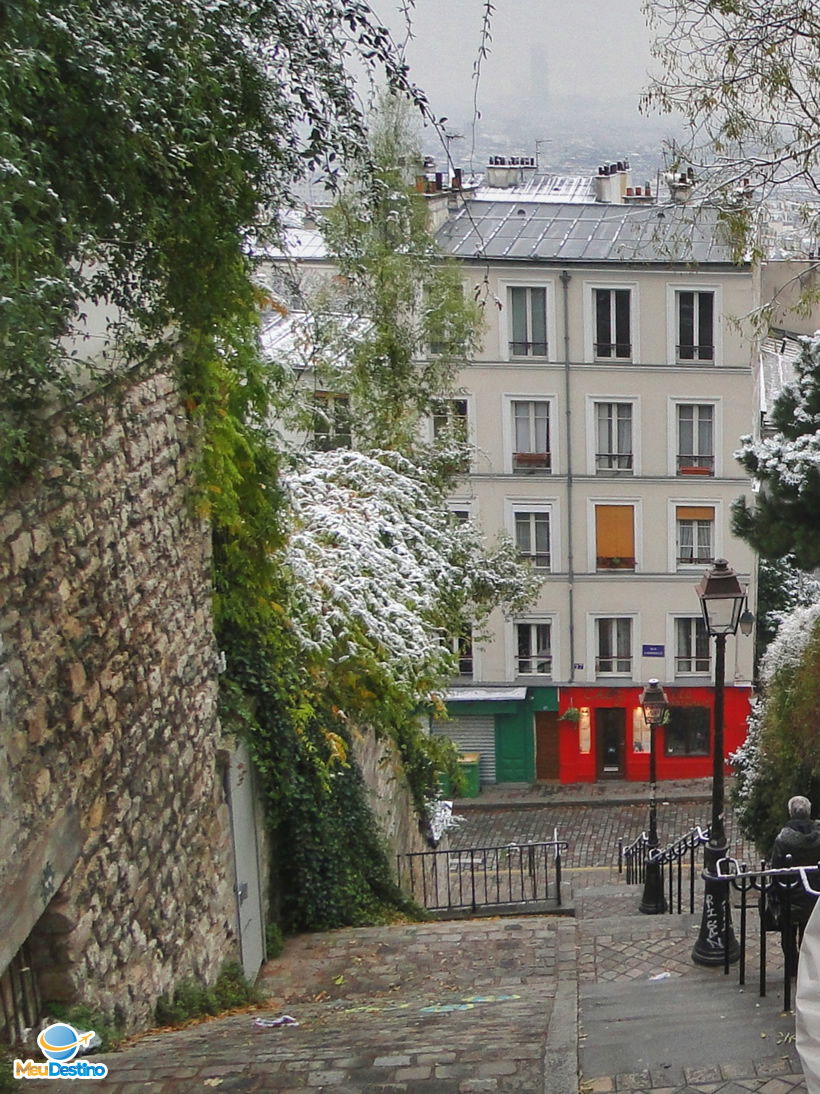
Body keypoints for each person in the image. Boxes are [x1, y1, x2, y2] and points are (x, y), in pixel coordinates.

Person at [768, 795, 820, 975]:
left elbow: (775, 869)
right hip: (814, 895)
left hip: (789, 895)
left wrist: (773, 896)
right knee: (808, 934)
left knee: (788, 936)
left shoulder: (783, 840)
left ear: (790, 813)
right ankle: (806, 970)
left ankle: (792, 968)